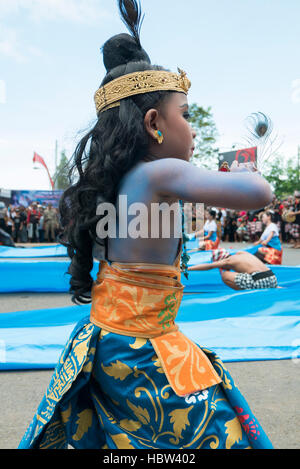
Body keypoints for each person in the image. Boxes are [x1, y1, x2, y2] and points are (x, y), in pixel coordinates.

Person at [19, 1, 274, 450]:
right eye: (187, 114)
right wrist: (243, 163)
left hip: (108, 343)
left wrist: (231, 273)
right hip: (143, 353)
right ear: (154, 123)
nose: (193, 130)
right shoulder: (160, 174)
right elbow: (260, 193)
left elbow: (137, 276)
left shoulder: (119, 184)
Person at [188, 248, 278, 290]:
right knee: (249, 274)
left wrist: (187, 269)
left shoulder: (229, 261)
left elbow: (210, 266)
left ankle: (245, 294)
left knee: (225, 275)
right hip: (273, 279)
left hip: (260, 281)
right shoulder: (241, 253)